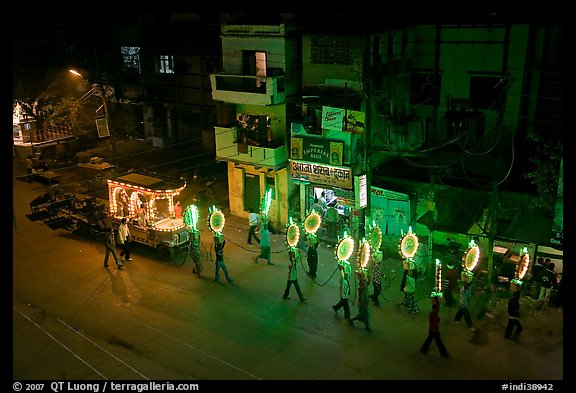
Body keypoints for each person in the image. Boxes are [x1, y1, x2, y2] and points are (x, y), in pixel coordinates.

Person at [350, 265, 372, 331]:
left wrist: (367, 276)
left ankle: (367, 326)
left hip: (365, 303)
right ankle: (352, 320)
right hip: (363, 303)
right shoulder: (361, 289)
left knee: (366, 315)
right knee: (362, 315)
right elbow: (362, 297)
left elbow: (368, 282)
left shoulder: (364, 287)